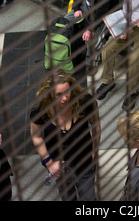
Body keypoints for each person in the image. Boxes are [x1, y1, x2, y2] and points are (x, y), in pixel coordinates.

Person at [30, 69, 101, 201]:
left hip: (84, 159)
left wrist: (95, 149)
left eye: (67, 91)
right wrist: (49, 163)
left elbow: (95, 125)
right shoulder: (40, 111)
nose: (65, 98)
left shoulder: (85, 101)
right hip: (59, 164)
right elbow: (36, 136)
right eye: (58, 94)